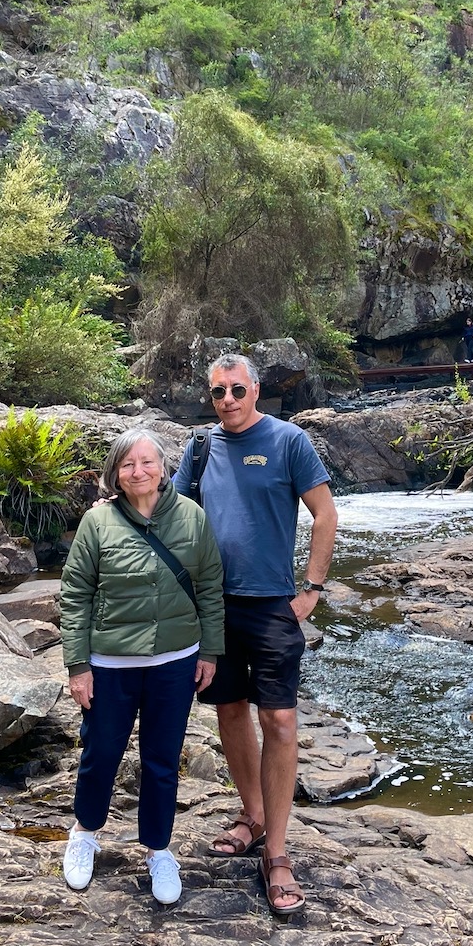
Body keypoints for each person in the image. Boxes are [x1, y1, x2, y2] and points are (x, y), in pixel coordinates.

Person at [172, 352, 337, 914]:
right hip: (212, 606)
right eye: (218, 393)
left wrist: (311, 588)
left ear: (256, 389)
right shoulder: (199, 449)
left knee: (281, 719)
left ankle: (279, 853)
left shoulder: (290, 441)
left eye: (237, 391)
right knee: (230, 710)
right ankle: (253, 816)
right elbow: (169, 517)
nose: (228, 402)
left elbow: (325, 515)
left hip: (273, 605)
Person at [59, 428, 225, 905]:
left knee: (161, 761)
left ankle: (158, 849)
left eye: (147, 462)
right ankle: (85, 834)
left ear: (163, 467)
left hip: (175, 661)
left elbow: (210, 587)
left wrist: (209, 652)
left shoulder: (192, 518)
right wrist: (77, 665)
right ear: (116, 472)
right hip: (109, 663)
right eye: (128, 464)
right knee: (100, 754)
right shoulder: (98, 522)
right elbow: (74, 596)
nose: (139, 472)